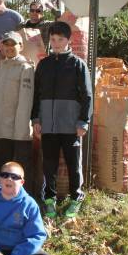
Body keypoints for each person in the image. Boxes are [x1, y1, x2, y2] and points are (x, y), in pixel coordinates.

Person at [32, 21, 92, 220]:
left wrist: (83, 120)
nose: (56, 43)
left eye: (60, 40)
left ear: (69, 41)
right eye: (53, 39)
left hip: (71, 125)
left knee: (73, 163)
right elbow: (36, 94)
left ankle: (76, 197)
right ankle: (50, 199)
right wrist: (36, 119)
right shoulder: (44, 64)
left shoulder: (77, 64)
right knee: (49, 163)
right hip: (48, 124)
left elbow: (87, 95)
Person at [0, 32, 35, 196]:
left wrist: (20, 133)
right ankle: (2, 201)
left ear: (21, 46)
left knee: (19, 170)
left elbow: (25, 103)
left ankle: (23, 202)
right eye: (6, 44)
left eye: (14, 44)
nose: (10, 47)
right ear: (2, 46)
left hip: (18, 132)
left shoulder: (26, 68)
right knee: (2, 169)